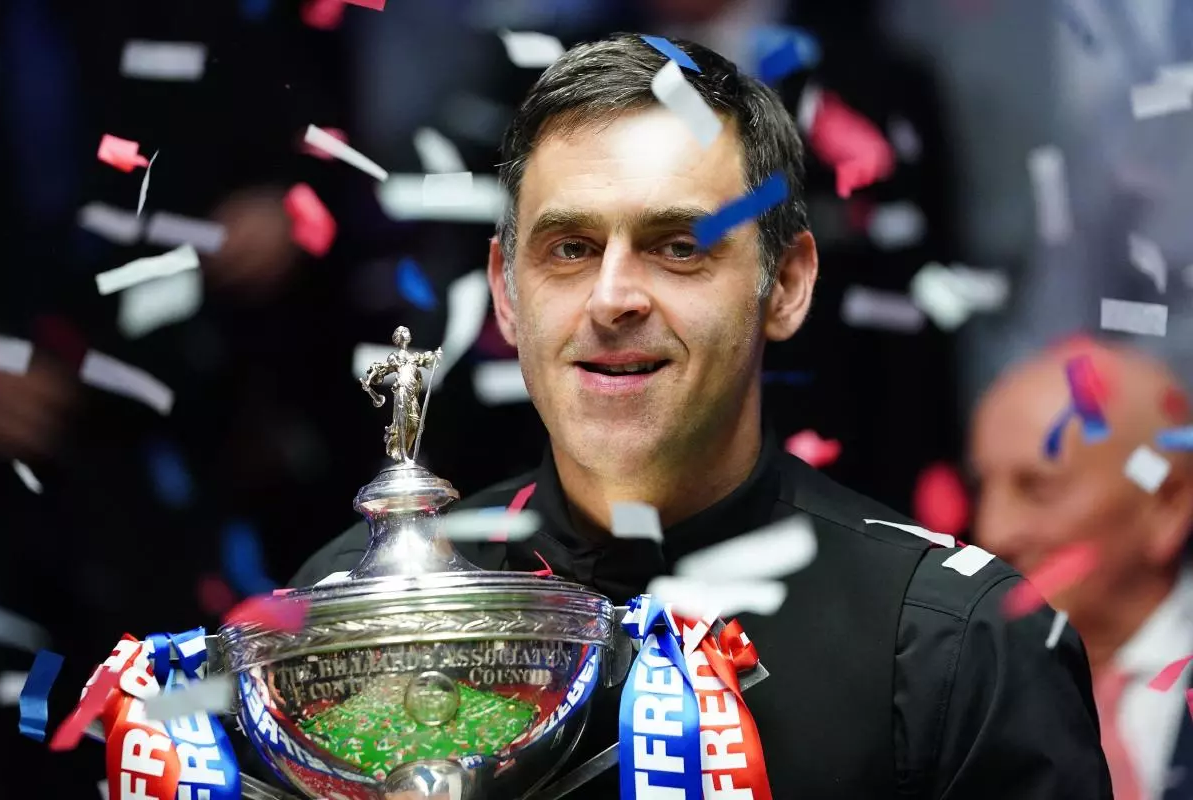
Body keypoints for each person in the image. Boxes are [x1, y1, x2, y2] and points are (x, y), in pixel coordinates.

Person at [294, 34, 1110, 797]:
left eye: (679, 246)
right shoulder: (357, 618)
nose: (613, 298)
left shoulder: (957, 648)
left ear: (785, 284)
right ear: (506, 293)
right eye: (570, 248)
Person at [971, 337, 1193, 800]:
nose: (993, 532)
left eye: (1037, 488)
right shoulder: (954, 686)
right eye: (981, 487)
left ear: (1167, 503)